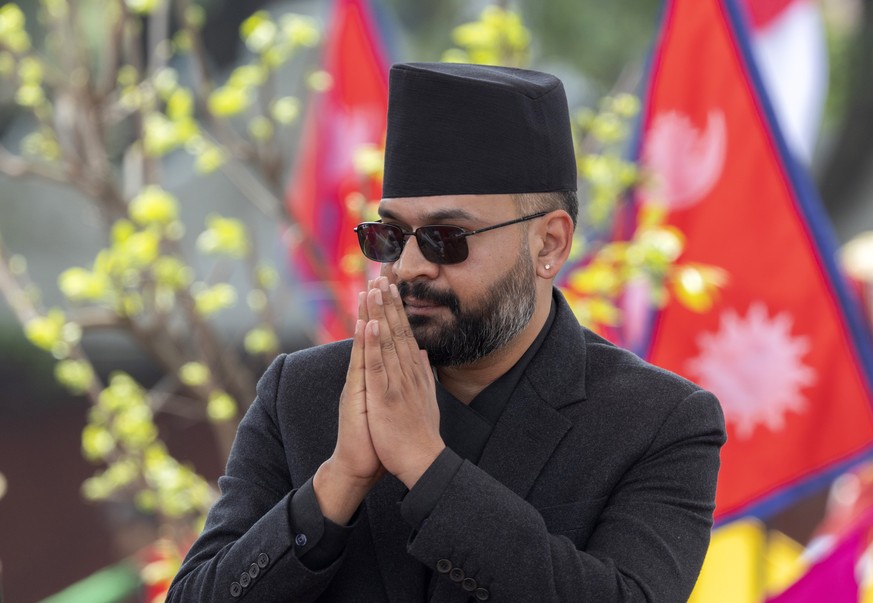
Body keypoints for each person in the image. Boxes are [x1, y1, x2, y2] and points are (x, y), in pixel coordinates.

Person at [167, 62, 726, 602]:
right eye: (389, 236)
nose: (409, 266)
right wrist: (337, 483)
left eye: (447, 239)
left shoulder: (657, 422)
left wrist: (427, 466)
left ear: (550, 244)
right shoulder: (303, 392)